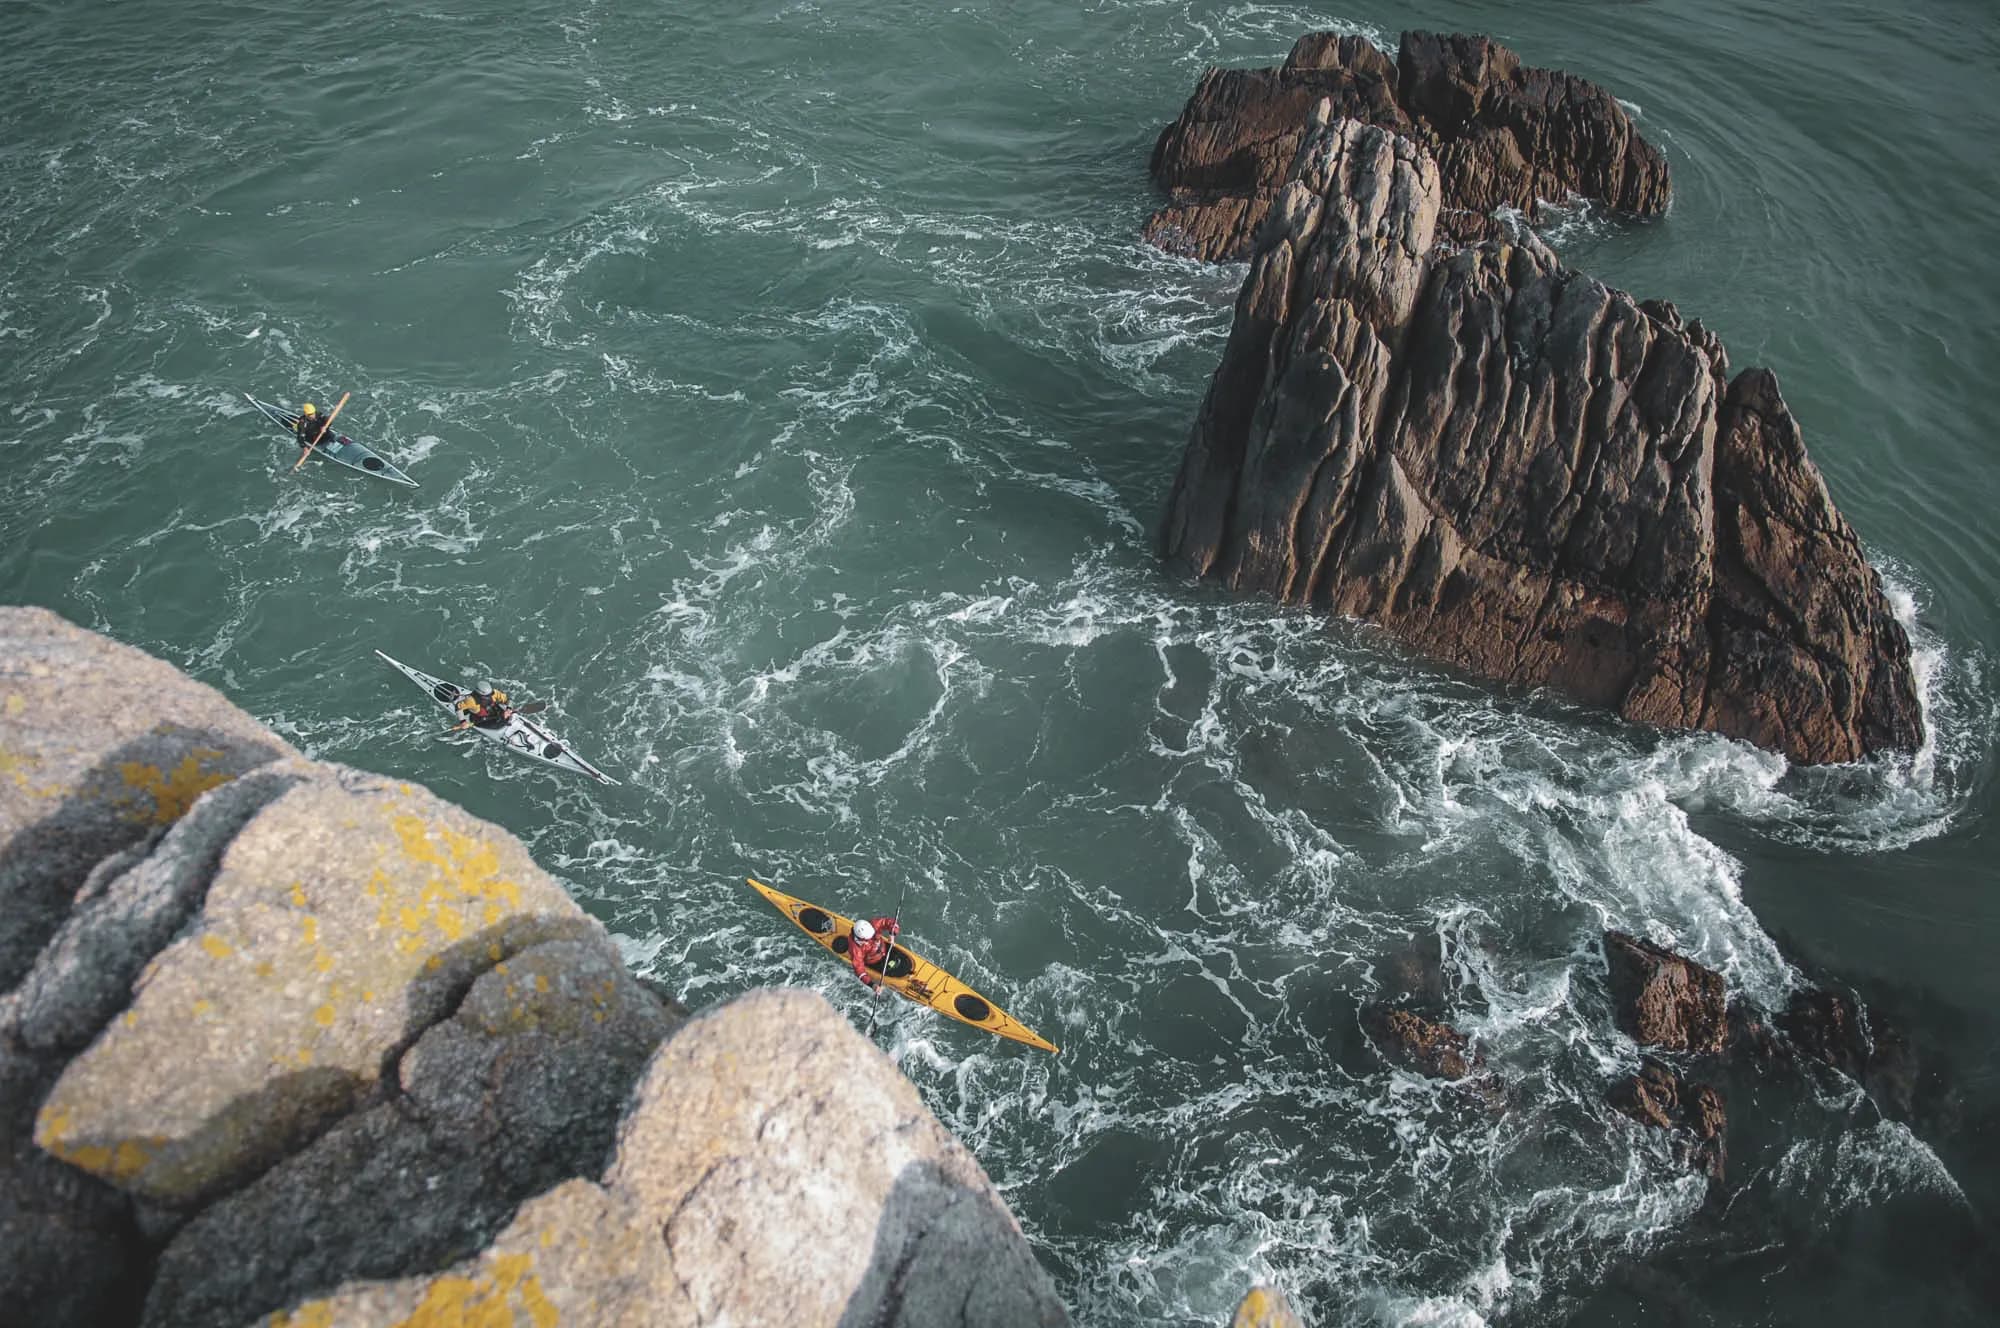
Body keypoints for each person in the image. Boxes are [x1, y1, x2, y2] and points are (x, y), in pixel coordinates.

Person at [847, 915, 901, 994]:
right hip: (875, 962)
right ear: (862, 940)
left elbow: (889, 922)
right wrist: (872, 985)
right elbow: (859, 970)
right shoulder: (856, 949)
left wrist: (892, 934)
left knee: (897, 957)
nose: (873, 937)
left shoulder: (873, 926)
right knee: (889, 969)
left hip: (884, 949)